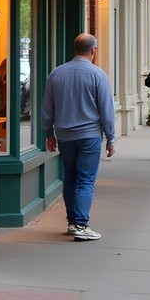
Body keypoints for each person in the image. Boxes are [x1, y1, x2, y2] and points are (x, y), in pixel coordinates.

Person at [40, 33, 116, 241]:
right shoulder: (97, 75)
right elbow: (106, 110)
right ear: (93, 51)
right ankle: (80, 225)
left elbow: (47, 109)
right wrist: (111, 138)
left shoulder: (56, 74)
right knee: (85, 181)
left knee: (70, 177)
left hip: (65, 136)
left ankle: (72, 221)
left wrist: (48, 133)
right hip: (89, 136)